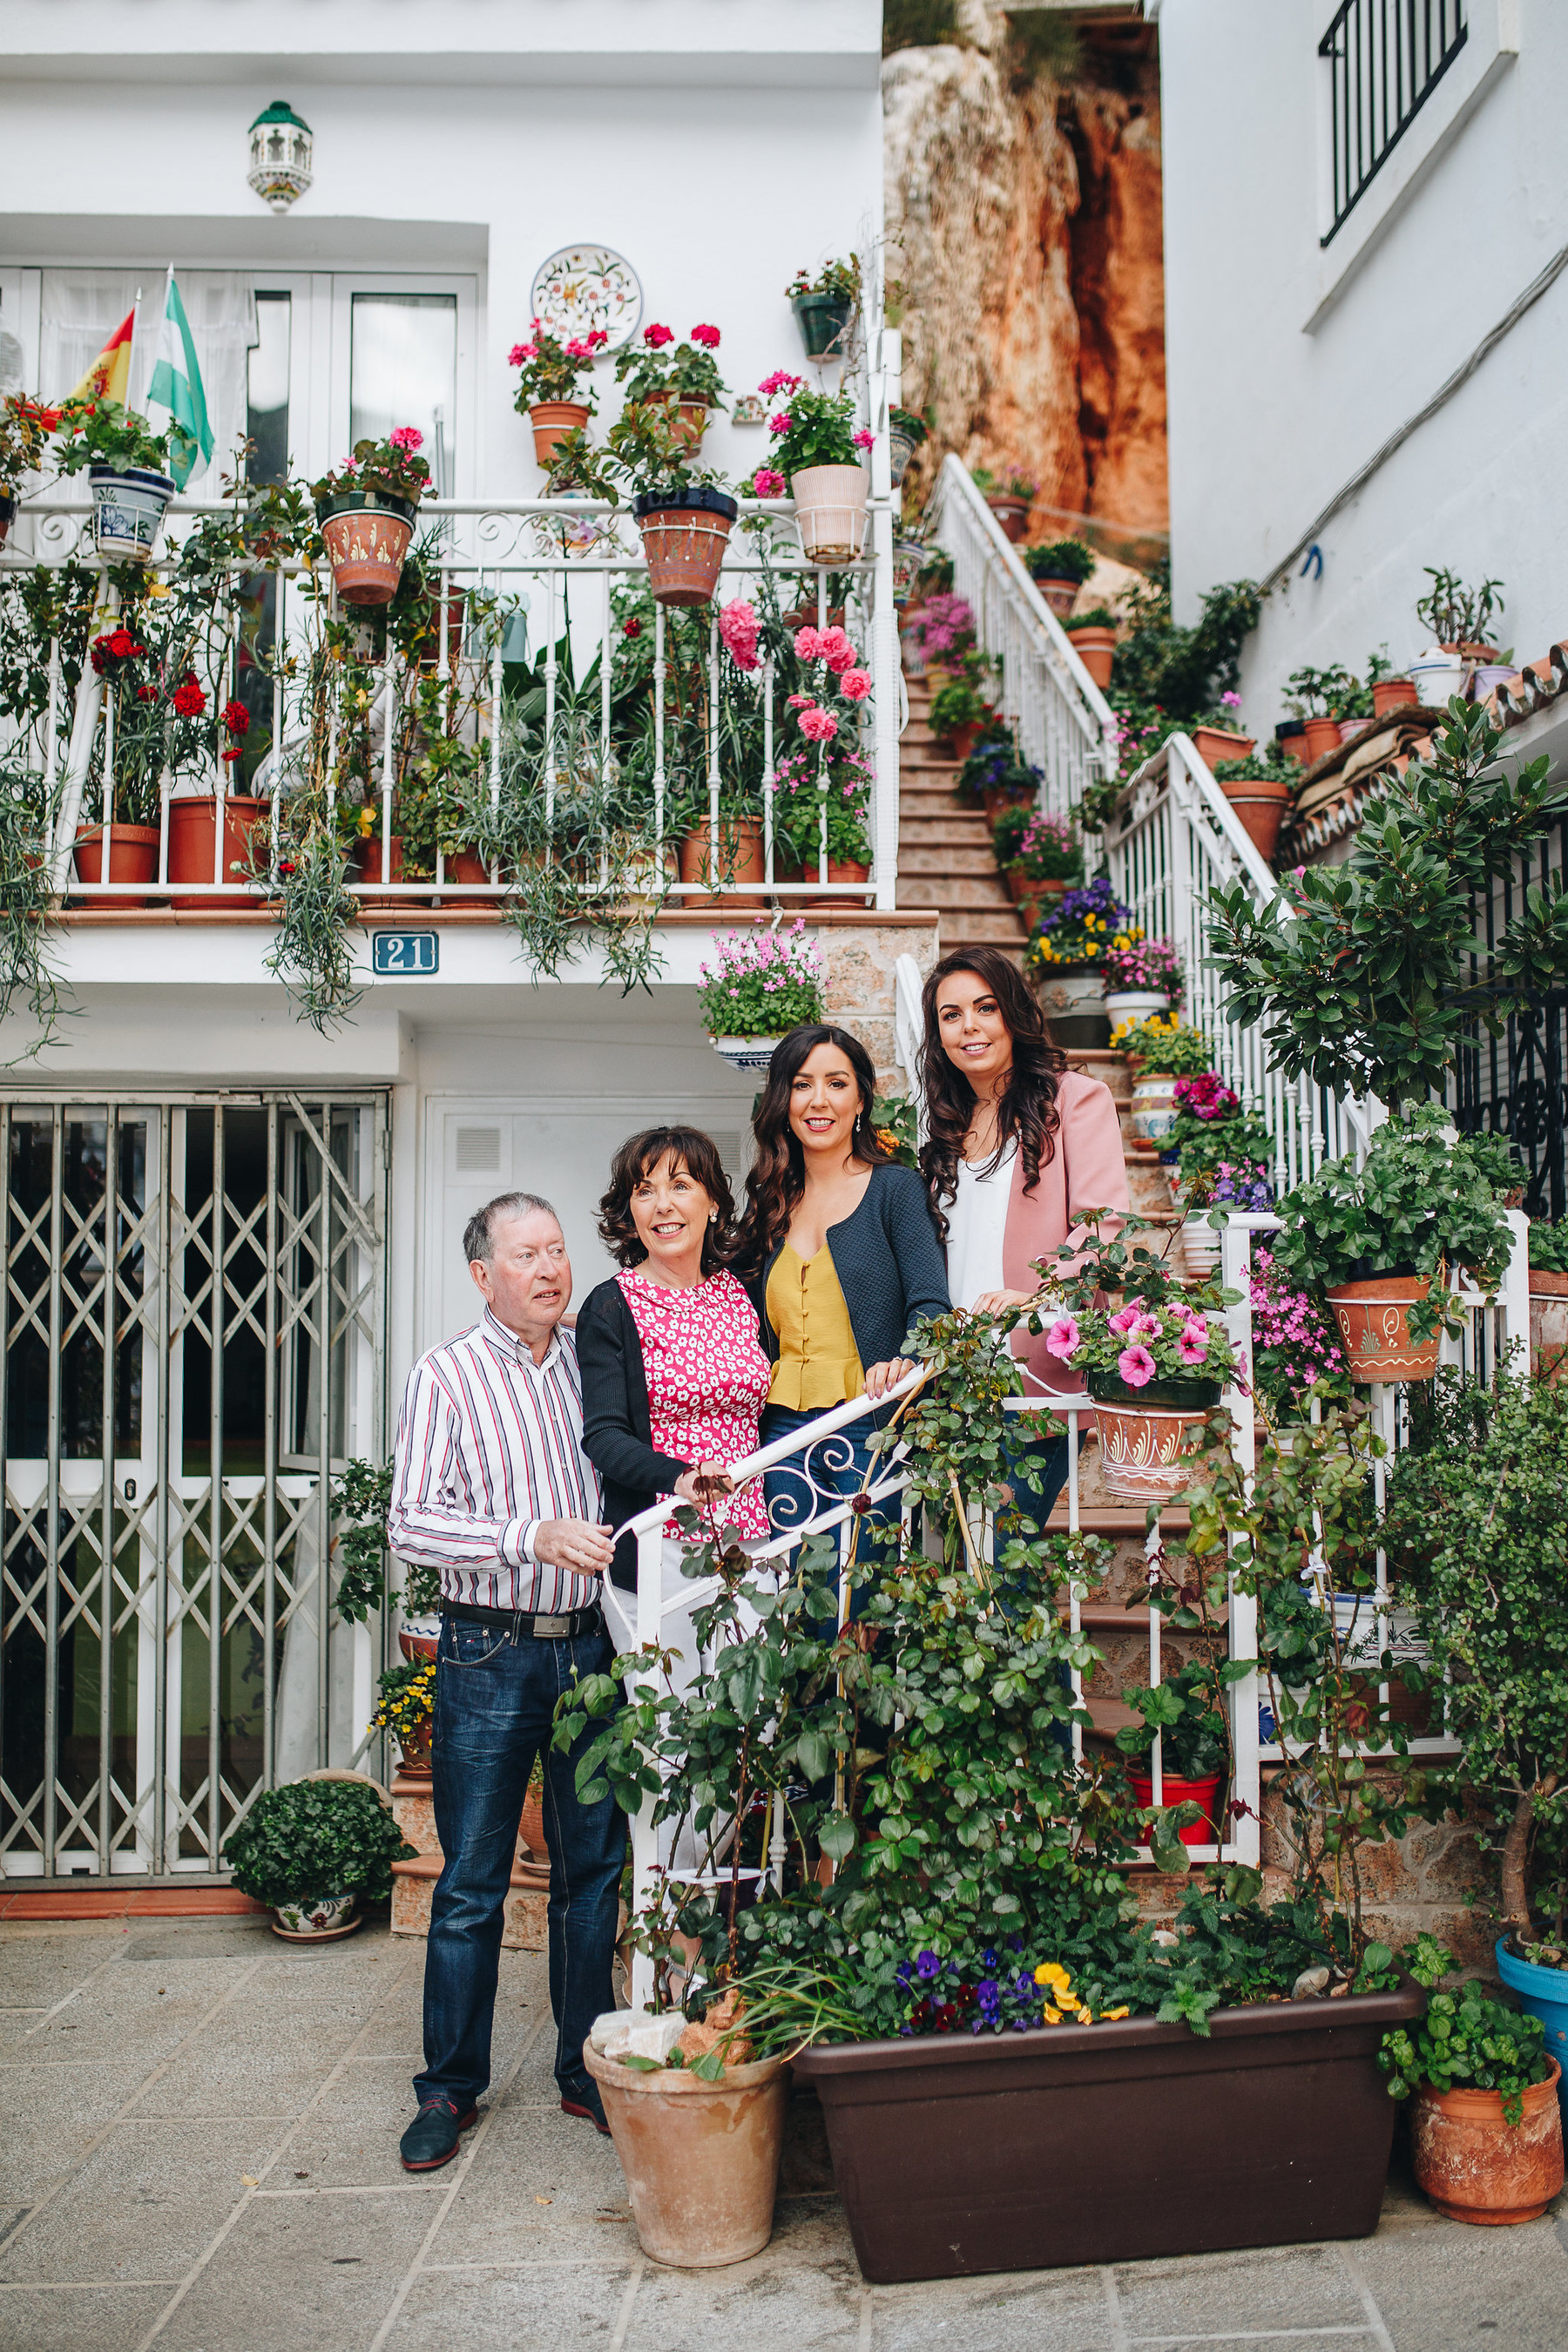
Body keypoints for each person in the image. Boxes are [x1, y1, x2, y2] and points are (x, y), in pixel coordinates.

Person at [386, 1192, 623, 2171]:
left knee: (592, 1869)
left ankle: (583, 2069)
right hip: (486, 1650)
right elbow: (409, 1524)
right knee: (474, 1880)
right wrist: (527, 1536)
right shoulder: (445, 1374)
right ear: (484, 1275)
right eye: (527, 1254)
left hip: (589, 1648)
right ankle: (448, 2087)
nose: (550, 1268)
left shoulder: (591, 1360)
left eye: (559, 1249)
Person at [919, 943, 1128, 1528]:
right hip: (949, 1380)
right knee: (958, 1563)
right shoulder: (942, 1124)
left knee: (1008, 1566)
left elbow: (1104, 1233)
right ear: (938, 1035)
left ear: (1013, 1012)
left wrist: (1035, 1297)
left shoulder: (1075, 1101)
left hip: (1033, 1377)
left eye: (985, 1007)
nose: (970, 1027)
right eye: (951, 1015)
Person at [577, 1127, 774, 1703]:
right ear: (629, 1211)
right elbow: (604, 1436)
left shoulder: (745, 1293)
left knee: (750, 1724)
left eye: (680, 1185)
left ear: (713, 1202)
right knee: (668, 1726)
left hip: (755, 1538)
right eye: (643, 1190)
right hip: (660, 1539)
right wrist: (680, 1476)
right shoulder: (611, 1306)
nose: (662, 1204)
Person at [735, 1024, 950, 1549]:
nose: (818, 1101)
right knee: (799, 1594)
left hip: (869, 1420)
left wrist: (907, 1359)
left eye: (836, 1083)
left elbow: (929, 1300)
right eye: (802, 1084)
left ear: (860, 1100)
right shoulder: (770, 1202)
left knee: (863, 1592)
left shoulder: (895, 1189)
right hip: (781, 1429)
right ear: (783, 1102)